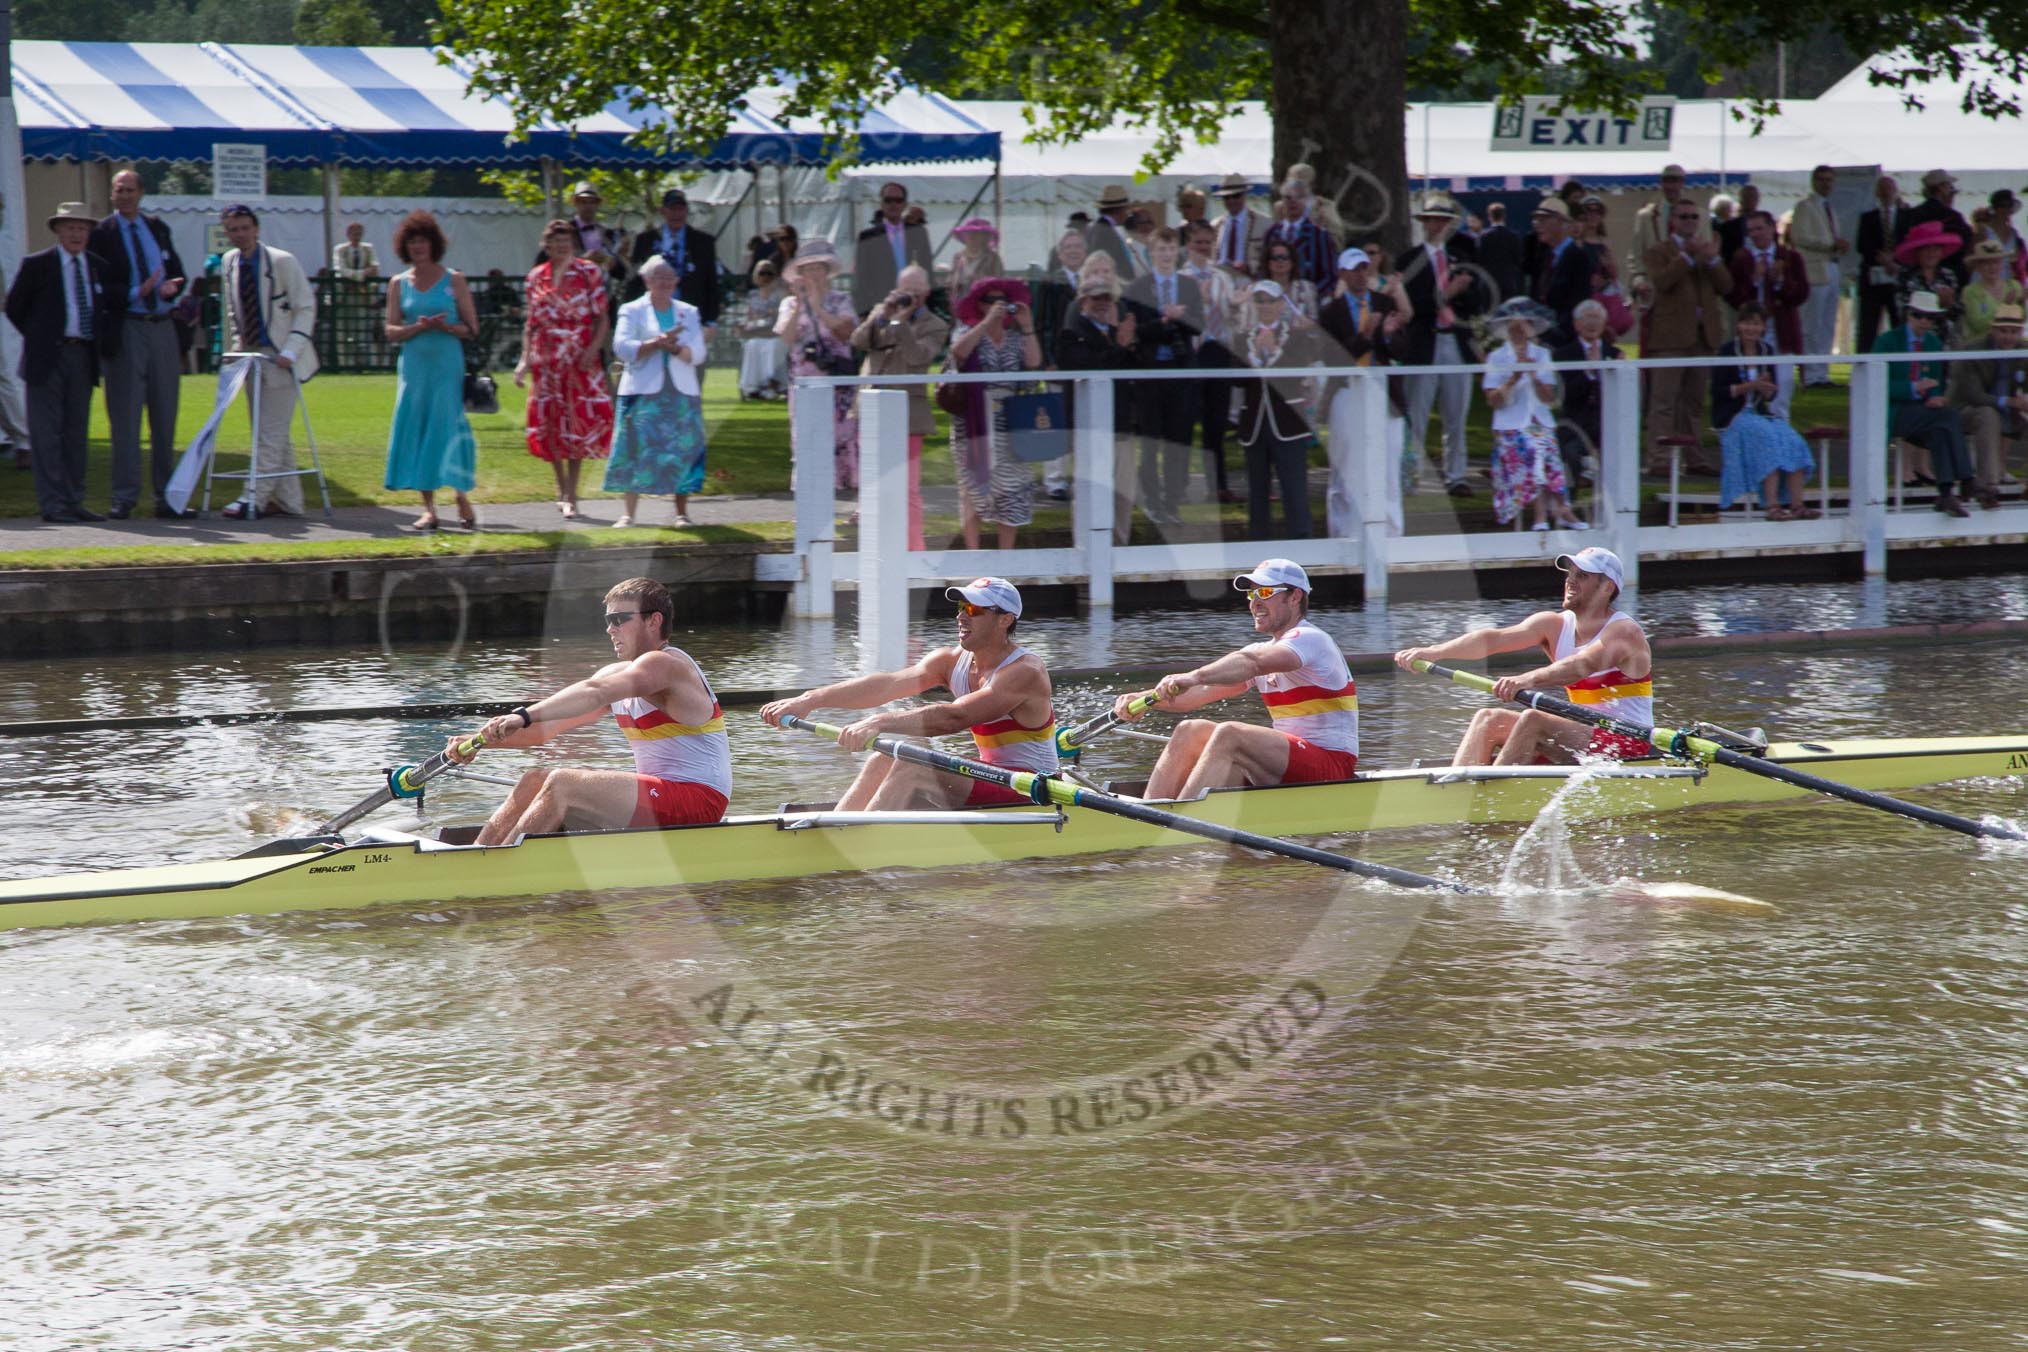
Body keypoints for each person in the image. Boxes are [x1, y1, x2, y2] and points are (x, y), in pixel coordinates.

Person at [449, 576, 730, 845]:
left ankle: (500, 868)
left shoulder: (666, 665)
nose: (610, 629)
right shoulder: (617, 675)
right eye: (608, 620)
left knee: (562, 783)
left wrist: (521, 714)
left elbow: (595, 692)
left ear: (653, 620)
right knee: (534, 780)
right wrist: (480, 740)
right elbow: (541, 732)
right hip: (663, 795)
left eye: (620, 619)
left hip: (701, 800)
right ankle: (479, 853)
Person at [759, 577, 1057, 810]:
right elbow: (887, 685)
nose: (962, 617)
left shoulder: (1025, 671)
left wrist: (879, 722)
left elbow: (955, 717)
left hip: (1032, 787)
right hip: (990, 776)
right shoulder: (950, 661)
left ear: (1005, 620)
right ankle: (843, 826)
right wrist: (810, 700)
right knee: (893, 751)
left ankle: (859, 846)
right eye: (960, 608)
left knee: (913, 762)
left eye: (974, 610)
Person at [1112, 559, 1358, 798]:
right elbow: (1198, 694)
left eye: (1266, 592)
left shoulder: (1310, 638)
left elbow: (1252, 663)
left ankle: (1179, 825)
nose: (1256, 603)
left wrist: (1192, 676)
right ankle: (1151, 811)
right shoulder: (1261, 649)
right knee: (1190, 729)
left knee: (1230, 733)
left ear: (1294, 597)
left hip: (1332, 765)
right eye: (1253, 594)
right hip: (1288, 763)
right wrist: (1144, 699)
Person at [1395, 548, 1653, 765]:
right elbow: (1492, 639)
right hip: (1581, 736)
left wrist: (1525, 680)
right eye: (1570, 574)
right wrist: (1434, 652)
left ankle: (1489, 799)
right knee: (1489, 718)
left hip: (1627, 741)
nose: (1570, 581)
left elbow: (1581, 665)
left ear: (1607, 587)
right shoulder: (1552, 625)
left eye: (1582, 576)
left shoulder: (1624, 632)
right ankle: (1456, 788)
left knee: (1533, 719)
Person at [6, 202, 121, 523]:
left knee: (75, 432)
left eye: (83, 228)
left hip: (82, 355)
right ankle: (52, 503)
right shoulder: (37, 265)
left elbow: (105, 310)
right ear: (57, 230)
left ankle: (74, 500)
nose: (77, 234)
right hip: (47, 358)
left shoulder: (97, 265)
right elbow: (15, 307)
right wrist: (41, 336)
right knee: (45, 433)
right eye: (70, 228)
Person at [92, 169, 186, 519]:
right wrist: (136, 292)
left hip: (161, 327)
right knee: (126, 418)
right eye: (120, 189)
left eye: (131, 189)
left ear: (141, 193)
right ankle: (125, 496)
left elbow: (178, 270)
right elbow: (99, 285)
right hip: (127, 327)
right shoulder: (103, 233)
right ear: (112, 194)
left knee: (165, 416)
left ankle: (167, 496)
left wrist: (171, 287)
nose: (126, 195)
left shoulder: (157, 227)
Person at [217, 203, 317, 519]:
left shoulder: (282, 261)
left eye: (245, 227)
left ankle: (254, 498)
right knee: (272, 431)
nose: (240, 234)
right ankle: (289, 502)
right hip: (248, 357)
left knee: (269, 432)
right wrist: (232, 353)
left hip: (280, 358)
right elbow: (231, 313)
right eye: (233, 229)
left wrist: (291, 350)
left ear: (256, 229)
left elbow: (306, 307)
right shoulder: (229, 262)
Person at [382, 210, 479, 532]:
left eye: (422, 241)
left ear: (433, 243)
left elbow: (472, 327)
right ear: (404, 246)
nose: (417, 247)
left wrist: (447, 327)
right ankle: (428, 509)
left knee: (447, 425)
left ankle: (461, 495)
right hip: (414, 366)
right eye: (412, 242)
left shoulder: (455, 279)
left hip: (446, 364)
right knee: (418, 426)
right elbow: (391, 331)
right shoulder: (398, 283)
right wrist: (416, 328)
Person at [518, 218, 614, 519]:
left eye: (566, 240)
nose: (561, 246)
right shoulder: (535, 277)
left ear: (574, 243)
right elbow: (531, 324)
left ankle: (572, 494)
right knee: (550, 426)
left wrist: (593, 349)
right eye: (555, 241)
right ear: (546, 245)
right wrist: (524, 361)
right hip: (547, 361)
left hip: (579, 358)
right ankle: (561, 489)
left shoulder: (589, 273)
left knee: (578, 425)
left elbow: (602, 318)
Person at [605, 255, 708, 529]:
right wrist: (655, 343)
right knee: (634, 449)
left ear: (675, 282)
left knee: (682, 450)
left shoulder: (689, 311)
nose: (663, 283)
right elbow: (623, 347)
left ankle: (681, 513)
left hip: (680, 390)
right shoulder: (632, 309)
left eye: (668, 278)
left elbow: (697, 353)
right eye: (657, 277)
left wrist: (673, 347)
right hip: (641, 390)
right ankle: (628, 514)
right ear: (646, 281)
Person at [851, 263, 948, 550]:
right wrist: (883, 315)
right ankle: (875, 550)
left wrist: (902, 322)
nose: (911, 297)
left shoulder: (935, 325)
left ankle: (913, 551)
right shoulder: (882, 312)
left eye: (917, 292)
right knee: (872, 487)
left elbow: (918, 357)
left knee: (907, 489)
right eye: (906, 291)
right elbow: (858, 341)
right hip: (871, 407)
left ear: (927, 293)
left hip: (909, 415)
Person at [1396, 193, 1484, 497]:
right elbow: (1410, 307)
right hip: (1424, 342)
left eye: (1444, 221)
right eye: (1433, 220)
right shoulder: (1409, 260)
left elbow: (1476, 303)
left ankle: (1456, 474)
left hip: (1454, 342)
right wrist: (1444, 295)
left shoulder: (1461, 257)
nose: (1438, 225)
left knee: (1456, 414)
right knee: (1417, 413)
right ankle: (1412, 473)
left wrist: (1463, 291)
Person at [1318, 246, 1410, 537]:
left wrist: (1388, 334)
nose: (1361, 274)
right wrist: (1365, 336)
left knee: (1389, 468)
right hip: (1347, 392)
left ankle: (1392, 538)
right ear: (1342, 273)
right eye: (1355, 269)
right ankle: (1343, 536)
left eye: (1364, 268)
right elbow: (1333, 358)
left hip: (1384, 395)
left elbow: (1401, 350)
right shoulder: (1330, 312)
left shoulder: (1384, 302)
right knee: (1345, 468)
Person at [947, 276, 1042, 549]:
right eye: (991, 300)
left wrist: (1027, 326)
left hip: (1011, 419)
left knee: (1013, 486)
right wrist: (986, 323)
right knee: (972, 486)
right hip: (974, 419)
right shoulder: (966, 331)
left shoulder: (1015, 339)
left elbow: (1034, 365)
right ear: (979, 304)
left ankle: (1006, 555)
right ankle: (973, 554)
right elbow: (958, 353)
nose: (998, 306)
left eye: (1003, 301)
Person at [1642, 195, 1729, 477]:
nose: (1689, 221)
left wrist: (1713, 259)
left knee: (1693, 402)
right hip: (1670, 338)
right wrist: (1688, 257)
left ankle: (1694, 457)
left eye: (1694, 217)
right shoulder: (1659, 250)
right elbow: (1662, 282)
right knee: (1664, 401)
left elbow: (1727, 286)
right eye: (1683, 216)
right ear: (1672, 221)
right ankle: (1659, 458)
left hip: (1703, 337)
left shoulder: (1707, 251)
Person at [1123, 226, 1205, 524]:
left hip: (1180, 373)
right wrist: (1164, 320)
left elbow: (1199, 326)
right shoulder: (1139, 287)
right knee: (1150, 442)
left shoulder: (1188, 286)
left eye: (1171, 250)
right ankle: (1153, 502)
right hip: (1150, 373)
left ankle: (1172, 501)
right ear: (1152, 252)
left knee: (1178, 440)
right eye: (1161, 250)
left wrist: (1180, 317)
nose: (1166, 255)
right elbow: (1136, 331)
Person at [1483, 297, 1586, 532]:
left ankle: (1558, 510)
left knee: (1546, 447)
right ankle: (1549, 512)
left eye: (1524, 326)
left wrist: (1533, 375)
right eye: (1514, 327)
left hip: (1539, 424)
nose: (1519, 331)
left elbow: (1549, 398)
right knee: (1536, 448)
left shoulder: (1541, 355)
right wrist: (1514, 377)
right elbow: (1493, 401)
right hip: (1509, 428)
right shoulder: (1497, 357)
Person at [1874, 290, 1976, 517]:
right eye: (1918, 315)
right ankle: (1967, 477)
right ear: (1908, 314)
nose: (1924, 321)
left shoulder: (1932, 343)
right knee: (1947, 418)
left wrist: (1934, 397)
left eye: (1930, 317)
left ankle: (1947, 492)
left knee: (1942, 425)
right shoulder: (1887, 341)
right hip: (1893, 410)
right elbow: (1876, 384)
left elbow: (1936, 382)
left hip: (1922, 411)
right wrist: (1912, 388)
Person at [1711, 302, 1817, 519]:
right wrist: (1750, 386)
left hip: (1759, 413)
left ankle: (1796, 503)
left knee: (1792, 439)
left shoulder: (1766, 351)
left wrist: (1767, 389)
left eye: (1756, 324)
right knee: (1767, 438)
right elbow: (1718, 391)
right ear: (1739, 325)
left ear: (1763, 328)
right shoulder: (1727, 351)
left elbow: (1772, 394)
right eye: (1747, 323)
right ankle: (1772, 505)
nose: (1751, 329)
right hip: (1734, 416)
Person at [1055, 275, 1140, 543]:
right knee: (1090, 494)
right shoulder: (1070, 334)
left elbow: (1136, 372)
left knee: (1123, 495)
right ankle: (1085, 556)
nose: (1102, 304)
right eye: (1096, 298)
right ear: (1083, 301)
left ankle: (1120, 559)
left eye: (1107, 298)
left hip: (1121, 427)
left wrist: (1127, 344)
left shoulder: (1118, 334)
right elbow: (1091, 368)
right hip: (1090, 431)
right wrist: (1119, 346)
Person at [1236, 279, 1323, 539]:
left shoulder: (1296, 337)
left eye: (1270, 301)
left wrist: (1273, 352)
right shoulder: (1243, 338)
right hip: (1254, 421)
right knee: (1257, 491)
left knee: (1294, 488)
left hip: (1288, 422)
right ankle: (1258, 546)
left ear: (1281, 304)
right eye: (1259, 300)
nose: (1264, 306)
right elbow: (1236, 378)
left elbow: (1296, 376)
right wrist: (1255, 357)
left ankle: (1301, 544)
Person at [775, 238, 861, 492]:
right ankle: (811, 494)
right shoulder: (789, 304)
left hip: (836, 381)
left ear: (827, 272)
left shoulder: (840, 299)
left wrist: (817, 308)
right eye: (807, 269)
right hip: (804, 382)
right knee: (807, 436)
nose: (813, 274)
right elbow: (787, 337)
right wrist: (801, 304)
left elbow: (845, 332)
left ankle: (840, 487)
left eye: (818, 268)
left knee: (839, 435)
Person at [1180, 219, 1243, 504]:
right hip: (1192, 352)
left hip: (1218, 351)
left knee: (1216, 422)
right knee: (1185, 420)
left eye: (1208, 243)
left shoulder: (1222, 278)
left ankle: (1217, 484)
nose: (1203, 248)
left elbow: (1232, 317)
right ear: (1187, 245)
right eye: (1198, 243)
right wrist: (1199, 300)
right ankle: (1179, 484)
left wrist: (1234, 306)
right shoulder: (1181, 278)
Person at [1946, 302, 2028, 508]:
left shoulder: (2023, 351)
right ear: (1993, 330)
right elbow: (1973, 394)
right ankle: (1988, 486)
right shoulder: (1972, 351)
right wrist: (2009, 402)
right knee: (1988, 414)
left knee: (1994, 413)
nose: (2008, 337)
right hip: (1964, 410)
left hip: (2007, 408)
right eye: (2003, 331)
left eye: (2013, 332)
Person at [1724, 209, 1811, 369]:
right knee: (1753, 374)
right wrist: (1754, 280)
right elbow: (1733, 297)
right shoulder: (1741, 259)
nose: (1755, 234)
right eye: (1751, 230)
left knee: (1783, 378)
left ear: (1772, 228)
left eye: (1759, 228)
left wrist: (1779, 282)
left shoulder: (1790, 258)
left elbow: (1801, 295)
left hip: (1782, 326)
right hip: (1752, 328)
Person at [1551, 299, 1621, 496]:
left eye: (1597, 318)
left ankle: (1613, 509)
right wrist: (1589, 372)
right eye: (1588, 318)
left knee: (1616, 454)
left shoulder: (1614, 354)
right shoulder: (1563, 354)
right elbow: (1565, 394)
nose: (1592, 323)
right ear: (1576, 324)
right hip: (1575, 420)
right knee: (1571, 454)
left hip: (1606, 420)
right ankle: (1568, 508)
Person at [628, 188, 720, 330]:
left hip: (690, 314)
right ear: (663, 211)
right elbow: (634, 279)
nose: (676, 214)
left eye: (680, 209)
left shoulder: (704, 242)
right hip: (652, 315)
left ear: (686, 211)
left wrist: (711, 320)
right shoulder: (645, 240)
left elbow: (711, 283)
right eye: (672, 209)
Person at [852, 181, 934, 315]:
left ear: (905, 204)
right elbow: (861, 279)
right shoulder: (867, 236)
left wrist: (931, 306)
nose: (893, 204)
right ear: (881, 203)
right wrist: (863, 313)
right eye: (888, 200)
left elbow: (928, 271)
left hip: (915, 306)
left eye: (898, 200)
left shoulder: (919, 233)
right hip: (882, 307)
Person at [539, 183, 630, 291]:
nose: (588, 206)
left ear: (598, 205)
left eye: (592, 202)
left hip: (603, 295)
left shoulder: (608, 234)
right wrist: (582, 260)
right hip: (570, 294)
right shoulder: (562, 231)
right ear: (576, 203)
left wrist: (610, 262)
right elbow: (544, 262)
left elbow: (623, 274)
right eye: (583, 202)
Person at [1532, 199, 1593, 347]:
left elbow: (1577, 302)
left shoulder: (1577, 256)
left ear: (1561, 223)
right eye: (1536, 220)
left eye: (1543, 220)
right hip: (1545, 337)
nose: (1537, 225)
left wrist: (1556, 335)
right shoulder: (1545, 255)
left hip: (1566, 341)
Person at [1262, 176, 1337, 290]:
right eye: (1288, 197)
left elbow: (1330, 276)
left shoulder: (1319, 235)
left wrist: (1309, 295)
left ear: (1307, 201)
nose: (1293, 202)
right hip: (1276, 299)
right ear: (1282, 200)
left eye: (1299, 197)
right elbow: (1263, 270)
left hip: (1309, 300)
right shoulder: (1271, 233)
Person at [1894, 221, 1966, 338]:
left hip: (1943, 341)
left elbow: (1959, 314)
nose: (1931, 253)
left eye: (1936, 249)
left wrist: (1949, 305)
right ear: (1917, 251)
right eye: (1926, 249)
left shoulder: (1948, 276)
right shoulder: (1905, 276)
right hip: (1913, 340)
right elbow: (1902, 312)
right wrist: (1938, 304)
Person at [1896, 169, 1975, 268]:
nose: (1951, 191)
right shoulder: (1951, 216)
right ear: (1941, 188)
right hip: (1950, 270)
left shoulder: (1910, 214)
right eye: (1949, 187)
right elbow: (1966, 241)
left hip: (1918, 269)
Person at [736, 259, 788, 400]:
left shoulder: (781, 296)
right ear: (756, 275)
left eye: (769, 273)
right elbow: (747, 319)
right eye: (762, 273)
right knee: (752, 345)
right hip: (755, 333)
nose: (765, 277)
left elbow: (780, 323)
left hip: (774, 334)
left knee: (772, 345)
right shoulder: (752, 296)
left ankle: (773, 385)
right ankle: (753, 386)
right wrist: (744, 327)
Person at [1959, 240, 2026, 344]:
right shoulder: (1970, 291)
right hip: (1981, 349)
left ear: (2002, 265)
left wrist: (2023, 303)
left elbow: (2022, 320)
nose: (1992, 267)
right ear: (1978, 267)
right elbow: (1978, 324)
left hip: (2011, 345)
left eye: (1996, 262)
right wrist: (2004, 305)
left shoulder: (2014, 286)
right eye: (1987, 263)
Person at [1212, 173, 1267, 277]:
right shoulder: (1216, 225)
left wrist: (1249, 267)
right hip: (1221, 279)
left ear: (1245, 195)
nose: (1231, 201)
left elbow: (1269, 257)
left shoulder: (1263, 223)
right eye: (1226, 197)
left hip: (1249, 279)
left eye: (1236, 196)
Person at [1085, 185, 1139, 280]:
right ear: (1118, 210)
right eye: (1126, 210)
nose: (1127, 214)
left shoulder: (1097, 228)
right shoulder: (1104, 232)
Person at [946, 218, 1005, 300]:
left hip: (982, 302)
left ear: (985, 237)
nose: (971, 235)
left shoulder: (994, 258)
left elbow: (998, 284)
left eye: (977, 233)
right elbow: (951, 280)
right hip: (960, 302)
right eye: (969, 232)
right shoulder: (958, 257)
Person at [1477, 202, 1525, 302]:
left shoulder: (1483, 236)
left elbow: (1479, 259)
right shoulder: (1513, 236)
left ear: (1489, 216)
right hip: (1508, 282)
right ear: (1504, 216)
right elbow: (1518, 260)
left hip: (1488, 283)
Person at [1985, 189, 2028, 286]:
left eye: (2009, 206)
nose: (2006, 210)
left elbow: (2020, 262)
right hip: (1986, 283)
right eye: (2002, 206)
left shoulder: (2014, 234)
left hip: (2009, 283)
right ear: (1995, 209)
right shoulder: (1984, 231)